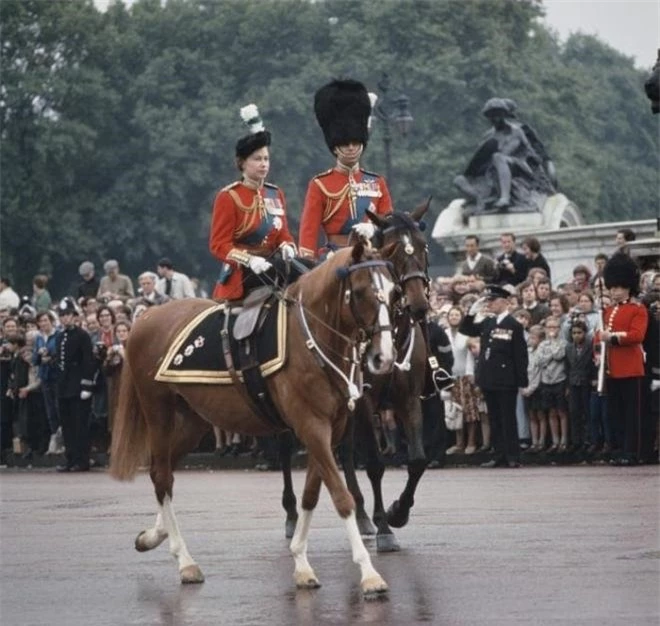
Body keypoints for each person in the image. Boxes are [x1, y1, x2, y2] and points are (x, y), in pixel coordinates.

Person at [209, 103, 297, 301]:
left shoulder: (276, 194)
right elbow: (219, 245)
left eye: (266, 159)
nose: (264, 164)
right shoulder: (229, 196)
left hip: (273, 263)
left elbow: (282, 233)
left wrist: (287, 246)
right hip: (243, 272)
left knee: (308, 269)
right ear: (242, 163)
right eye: (257, 159)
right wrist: (248, 260)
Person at [298, 79, 392, 260]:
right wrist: (306, 264)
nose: (350, 148)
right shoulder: (320, 184)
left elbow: (389, 223)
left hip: (372, 254)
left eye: (356, 142)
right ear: (334, 147)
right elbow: (309, 231)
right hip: (334, 256)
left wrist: (373, 228)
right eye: (345, 143)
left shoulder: (377, 183)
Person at [459, 284, 528, 468]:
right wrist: (472, 312)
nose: (489, 304)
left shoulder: (513, 325)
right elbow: (467, 330)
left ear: (504, 302)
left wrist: (522, 380)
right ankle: (499, 455)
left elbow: (520, 355)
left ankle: (513, 456)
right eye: (488, 301)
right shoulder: (488, 322)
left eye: (493, 300)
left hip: (506, 379)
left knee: (508, 418)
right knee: (494, 419)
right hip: (489, 377)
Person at [594, 252, 649, 465]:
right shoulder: (608, 311)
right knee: (615, 413)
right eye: (612, 287)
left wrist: (612, 338)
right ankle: (618, 450)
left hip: (631, 368)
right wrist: (598, 347)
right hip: (612, 369)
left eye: (618, 287)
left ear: (628, 287)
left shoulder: (638, 309)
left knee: (631, 414)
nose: (614, 291)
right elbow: (599, 337)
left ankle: (631, 451)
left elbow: (637, 336)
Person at [55, 298, 95, 472]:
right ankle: (70, 458)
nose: (65, 319)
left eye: (68, 315)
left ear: (74, 316)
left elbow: (88, 361)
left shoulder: (82, 335)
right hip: (64, 385)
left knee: (80, 424)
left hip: (78, 384)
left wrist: (87, 385)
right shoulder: (60, 336)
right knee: (67, 425)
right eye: (62, 316)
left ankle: (82, 459)